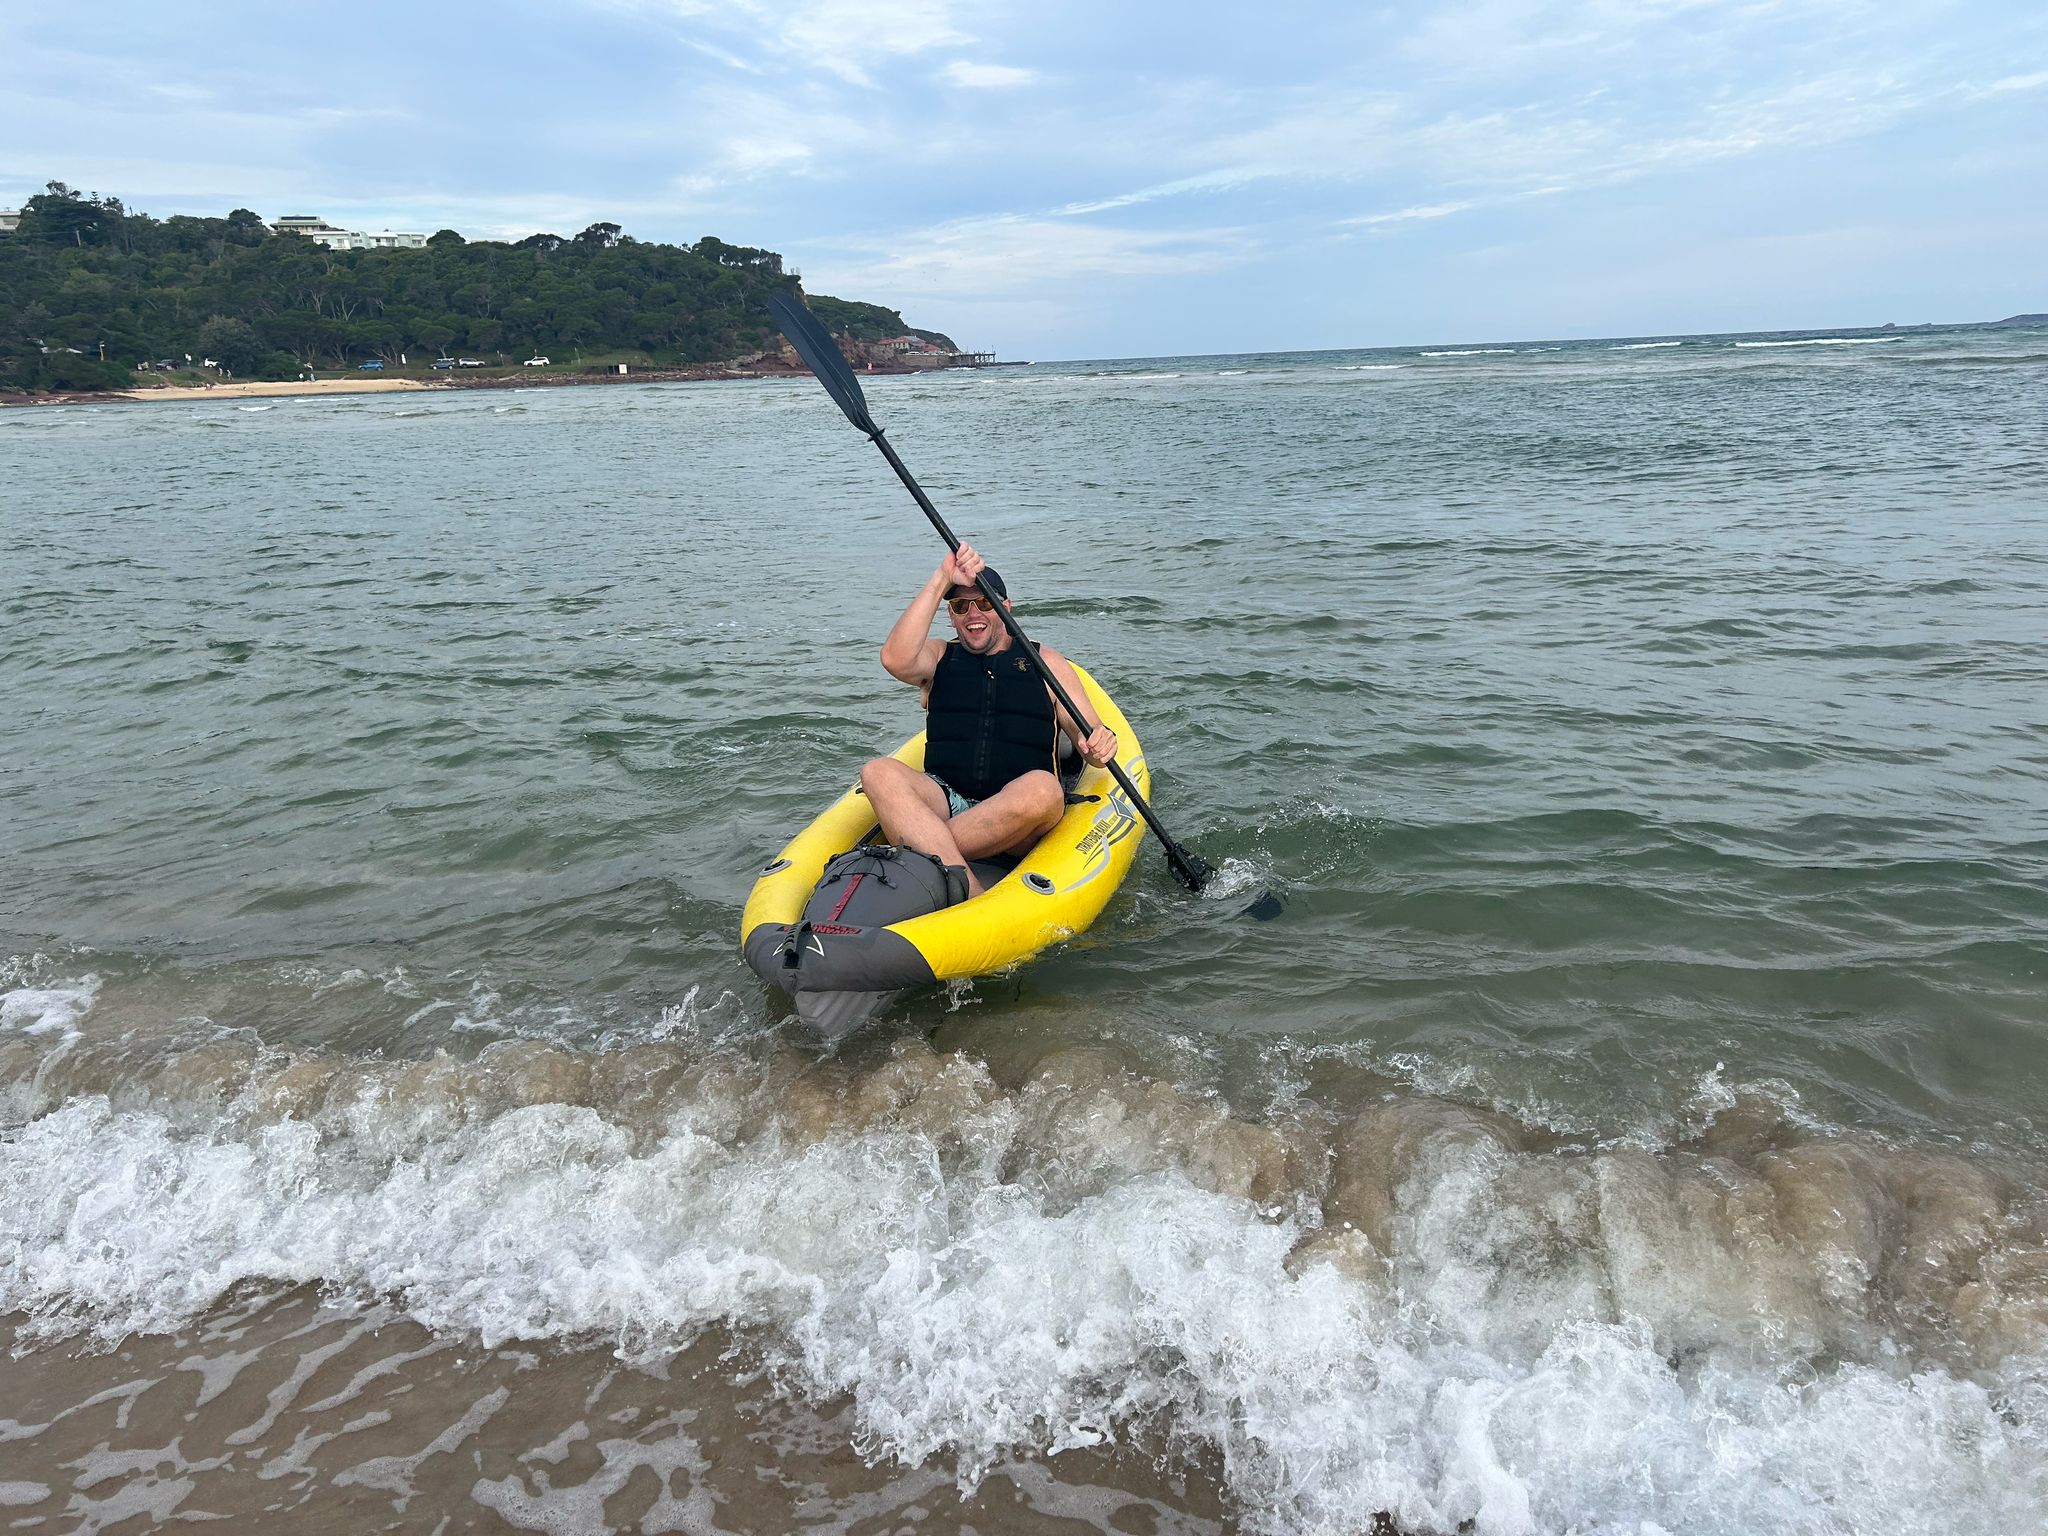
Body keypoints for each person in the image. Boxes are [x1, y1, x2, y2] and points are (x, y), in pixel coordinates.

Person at [863, 543, 1117, 899]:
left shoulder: (1046, 663)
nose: (972, 613)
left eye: (985, 602)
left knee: (1044, 789)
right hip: (946, 796)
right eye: (960, 606)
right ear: (951, 615)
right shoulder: (938, 657)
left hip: (1018, 814)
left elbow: (1088, 735)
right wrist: (941, 578)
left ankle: (922, 846)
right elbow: (893, 658)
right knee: (877, 772)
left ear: (1006, 608)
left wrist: (1100, 742)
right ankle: (971, 890)